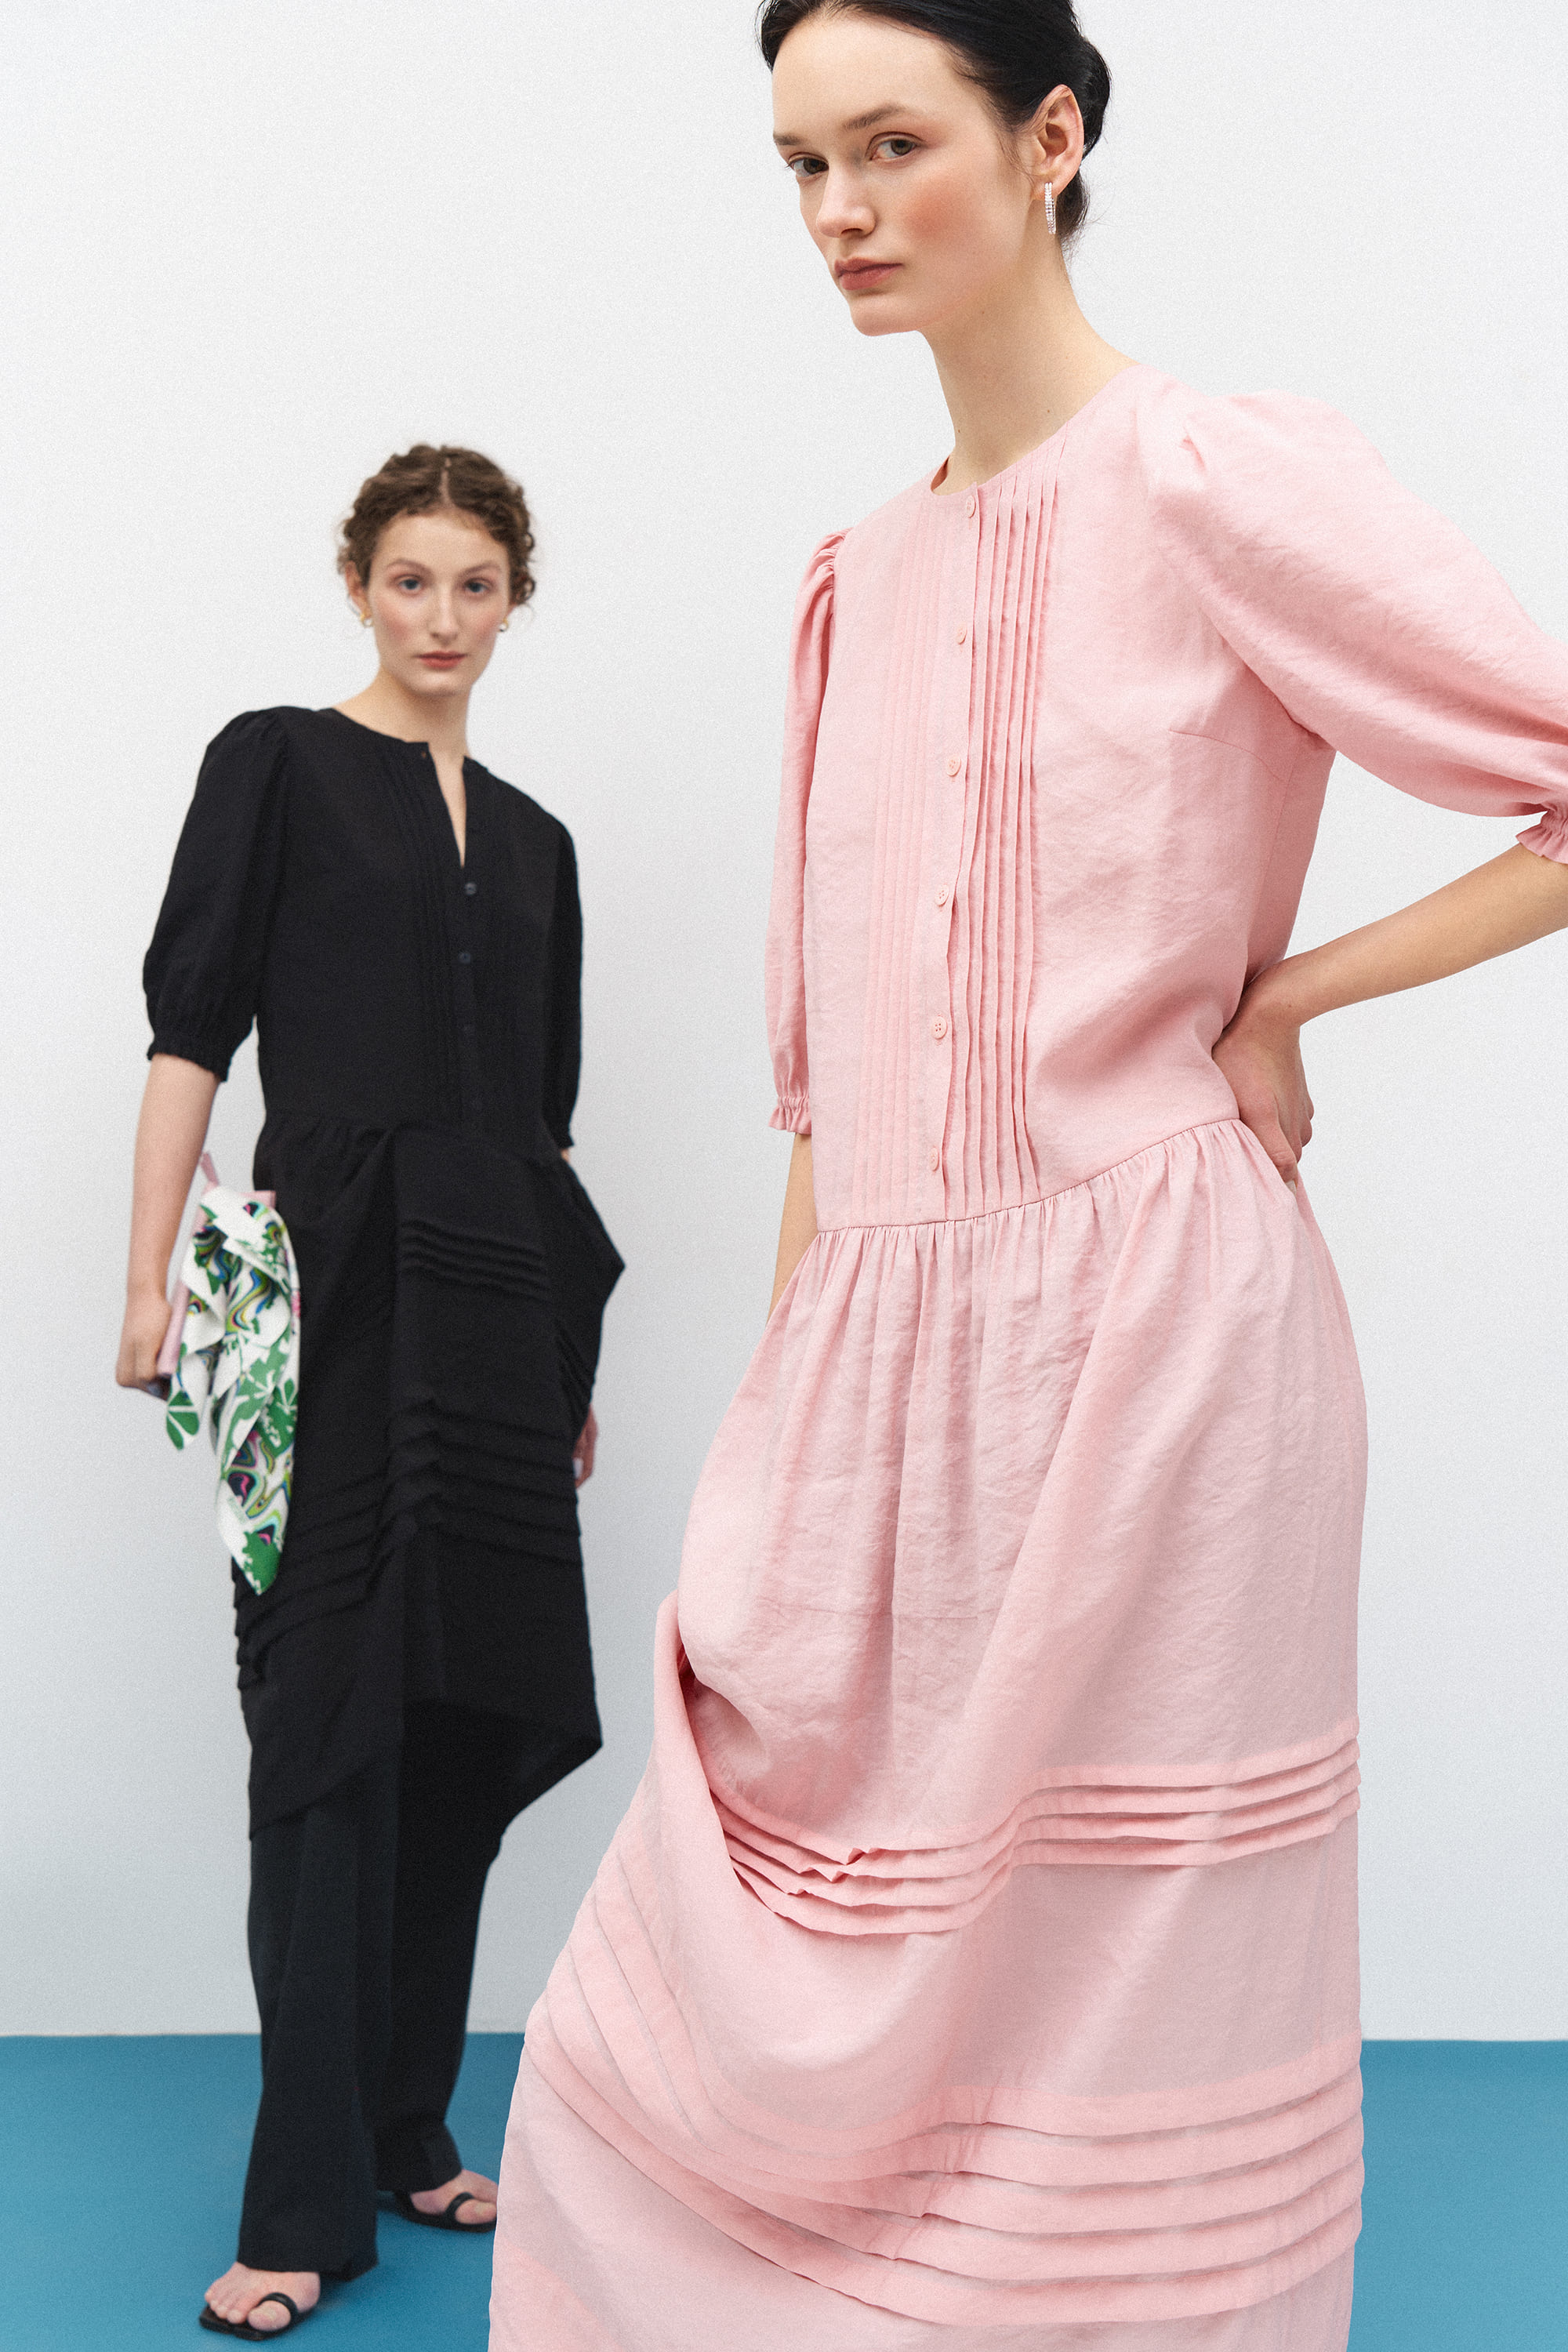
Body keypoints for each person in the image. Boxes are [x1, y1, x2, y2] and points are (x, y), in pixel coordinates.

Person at [488, 7, 1568, 2349]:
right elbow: (829, 1087)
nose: (840, 211)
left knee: (1122, 2012)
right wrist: (779, 1421)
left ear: (1051, 135)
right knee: (682, 2016)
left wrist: (1286, 996)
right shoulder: (851, 580)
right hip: (881, 1349)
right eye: (801, 164)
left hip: (1169, 1348)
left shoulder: (1209, 476)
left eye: (892, 144)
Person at [116, 444, 621, 2338]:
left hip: (499, 1310)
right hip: (323, 1290)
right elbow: (190, 1036)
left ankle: (409, 2127)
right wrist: (147, 1276)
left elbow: (543, 1127)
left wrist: (565, 1365)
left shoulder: (543, 843)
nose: (441, 616)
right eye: (411, 579)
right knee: (324, 1725)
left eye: (475, 584)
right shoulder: (276, 762)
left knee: (460, 1728)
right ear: (359, 585)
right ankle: (300, 2208)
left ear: (514, 602)